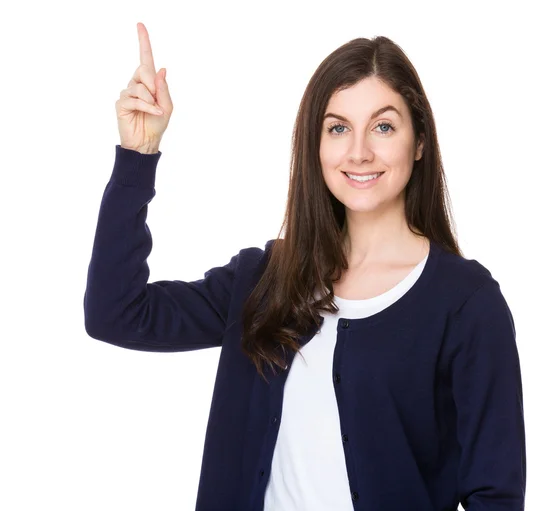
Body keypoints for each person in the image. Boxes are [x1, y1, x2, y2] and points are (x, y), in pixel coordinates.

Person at [84, 22, 526, 511]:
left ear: (419, 142)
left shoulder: (465, 303)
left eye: (383, 126)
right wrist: (137, 157)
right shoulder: (263, 279)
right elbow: (116, 313)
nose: (359, 151)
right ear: (314, 147)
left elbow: (495, 495)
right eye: (338, 128)